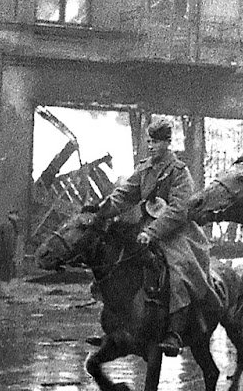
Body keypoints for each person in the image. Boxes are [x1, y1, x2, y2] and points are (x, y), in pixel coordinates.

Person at [86, 120, 220, 357]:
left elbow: (179, 210)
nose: (151, 146)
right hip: (145, 227)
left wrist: (152, 232)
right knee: (117, 261)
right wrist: (102, 208)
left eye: (156, 141)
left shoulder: (179, 172)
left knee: (179, 268)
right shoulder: (144, 169)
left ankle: (175, 333)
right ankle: (114, 326)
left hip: (176, 233)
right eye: (149, 141)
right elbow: (125, 194)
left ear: (167, 143)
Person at [0, 209, 22, 297]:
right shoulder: (9, 226)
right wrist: (11, 254)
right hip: (4, 255)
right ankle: (2, 292)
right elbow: (9, 242)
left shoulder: (4, 224)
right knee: (5, 274)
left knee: (0, 274)